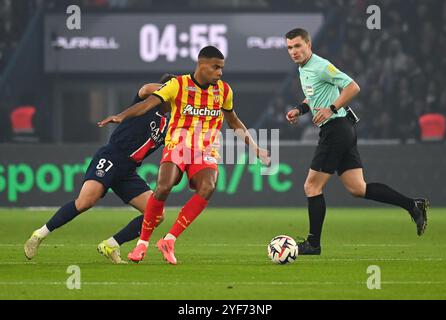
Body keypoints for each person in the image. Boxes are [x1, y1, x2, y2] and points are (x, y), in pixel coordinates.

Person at [98, 46, 270, 265]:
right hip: (178, 145)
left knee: (208, 187)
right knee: (164, 187)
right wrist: (121, 116)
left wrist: (255, 147)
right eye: (216, 67)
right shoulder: (177, 84)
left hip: (205, 149)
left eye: (222, 68)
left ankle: (169, 240)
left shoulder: (224, 91)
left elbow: (233, 121)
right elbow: (147, 104)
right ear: (201, 65)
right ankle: (142, 243)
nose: (220, 72)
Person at [284, 28, 429, 255]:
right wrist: (301, 109)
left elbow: (353, 86)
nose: (294, 51)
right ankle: (413, 205)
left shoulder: (321, 66)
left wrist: (331, 109)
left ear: (308, 45)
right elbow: (314, 96)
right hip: (343, 128)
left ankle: (313, 243)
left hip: (336, 129)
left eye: (297, 46)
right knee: (357, 188)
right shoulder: (304, 69)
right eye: (290, 48)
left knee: (311, 186)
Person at [24, 74, 176, 264]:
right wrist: (172, 88)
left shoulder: (169, 124)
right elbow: (145, 88)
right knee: (85, 202)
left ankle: (111, 244)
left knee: (156, 215)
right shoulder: (145, 104)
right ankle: (39, 235)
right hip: (112, 156)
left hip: (128, 171)